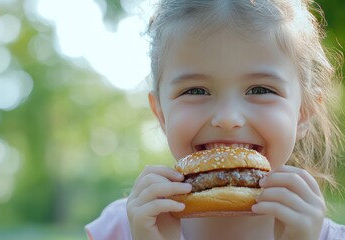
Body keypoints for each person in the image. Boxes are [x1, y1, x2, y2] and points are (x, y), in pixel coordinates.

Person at [85, 0, 345, 239]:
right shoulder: (122, 229)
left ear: (303, 113)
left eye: (260, 90)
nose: (227, 118)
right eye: (196, 91)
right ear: (161, 114)